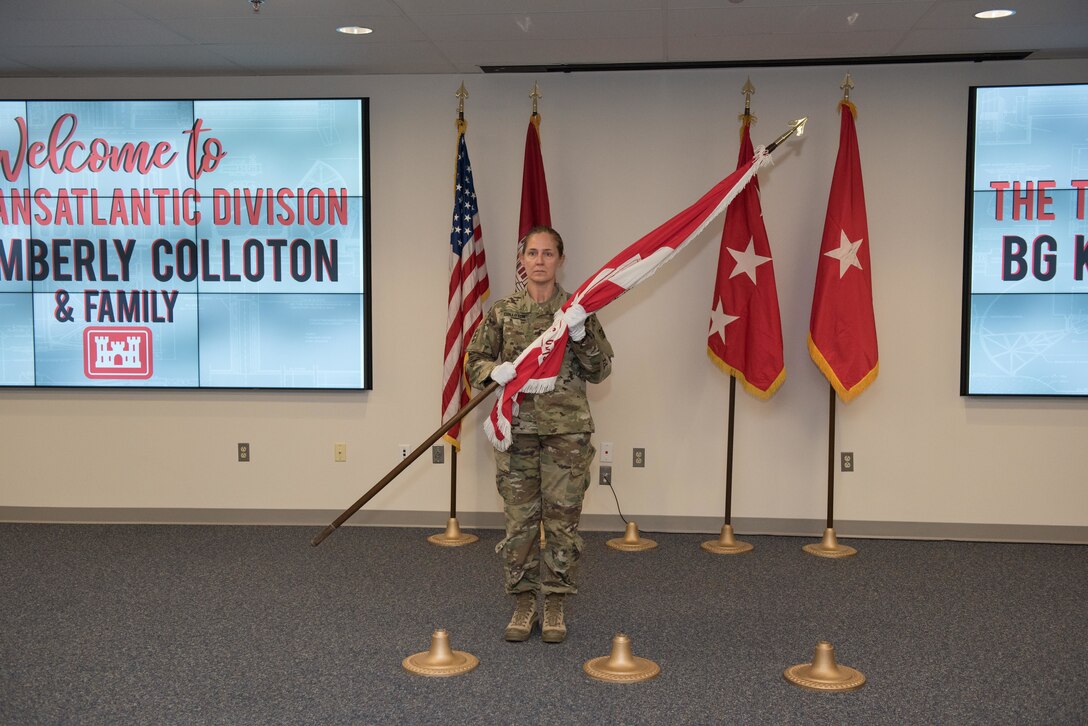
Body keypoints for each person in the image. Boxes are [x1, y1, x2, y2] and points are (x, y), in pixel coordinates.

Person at [465, 225, 613, 643]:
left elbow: (600, 372)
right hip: (517, 432)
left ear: (560, 260)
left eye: (549, 254)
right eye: (533, 253)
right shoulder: (503, 311)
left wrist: (581, 336)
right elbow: (473, 359)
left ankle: (555, 602)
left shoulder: (576, 312)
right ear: (522, 260)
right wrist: (492, 372)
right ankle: (524, 599)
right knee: (520, 523)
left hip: (566, 434)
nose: (540, 261)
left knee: (563, 521)